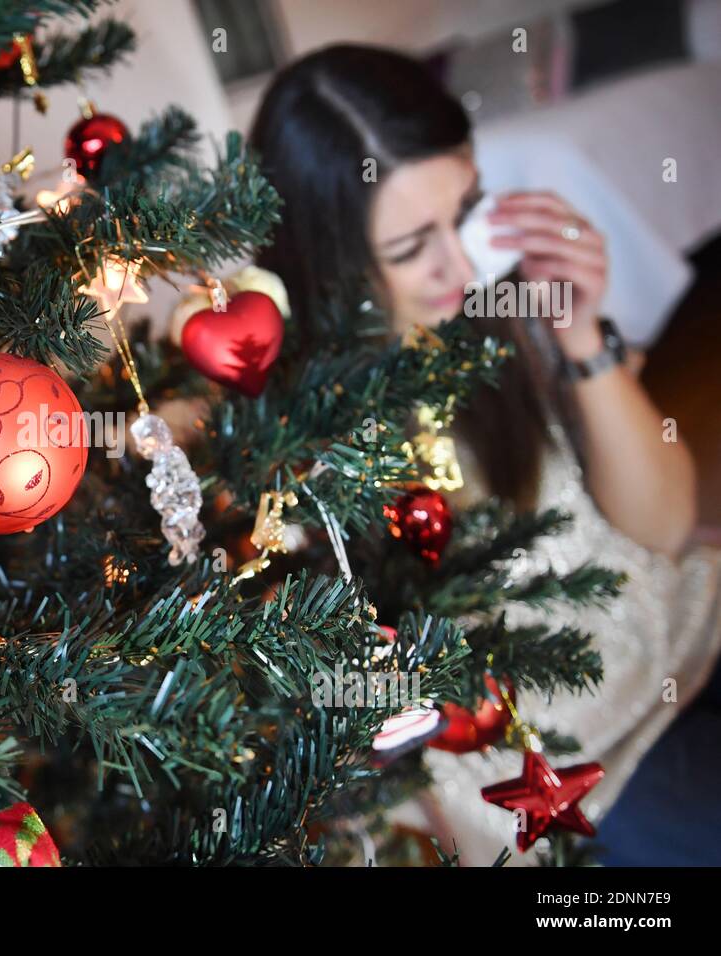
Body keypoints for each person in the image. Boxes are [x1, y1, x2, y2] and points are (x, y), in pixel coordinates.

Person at [249, 44, 721, 865]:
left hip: (685, 644)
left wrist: (582, 338)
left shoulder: (488, 315)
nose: (462, 267)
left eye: (464, 209)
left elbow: (667, 520)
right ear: (327, 262)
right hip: (568, 782)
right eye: (410, 248)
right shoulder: (299, 455)